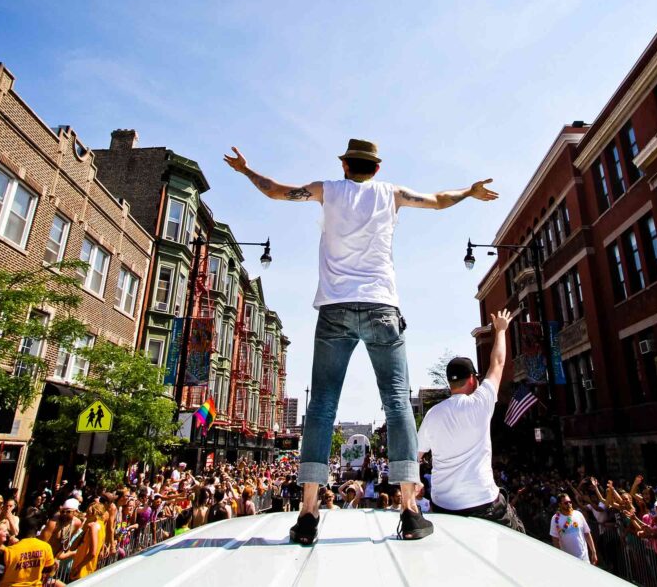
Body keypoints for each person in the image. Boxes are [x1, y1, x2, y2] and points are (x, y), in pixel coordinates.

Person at [226, 140, 497, 545]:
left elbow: (276, 190)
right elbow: (440, 201)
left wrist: (246, 170)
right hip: (381, 308)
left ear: (345, 165)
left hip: (334, 308)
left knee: (320, 406)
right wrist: (470, 192)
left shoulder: (327, 190)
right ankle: (408, 511)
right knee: (397, 402)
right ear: (375, 167)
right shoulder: (392, 194)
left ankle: (307, 514)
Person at [417, 309, 525, 533]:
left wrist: (414, 485)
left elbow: (415, 456)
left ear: (449, 383)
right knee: (518, 540)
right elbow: (497, 363)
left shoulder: (432, 415)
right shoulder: (481, 402)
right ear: (473, 380)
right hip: (483, 503)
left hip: (443, 505)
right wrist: (501, 330)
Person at [0, 512, 55, 587]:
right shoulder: (46, 547)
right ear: (36, 530)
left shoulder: (9, 551)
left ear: (20, 530)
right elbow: (48, 569)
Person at [550, 494, 597, 564]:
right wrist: (559, 556)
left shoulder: (578, 514)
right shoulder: (555, 519)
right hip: (568, 560)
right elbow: (555, 539)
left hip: (584, 558)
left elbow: (587, 533)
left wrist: (593, 552)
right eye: (566, 503)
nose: (569, 504)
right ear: (560, 504)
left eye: (570, 502)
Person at [69, 502, 104, 580]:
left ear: (95, 514)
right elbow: (72, 547)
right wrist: (84, 530)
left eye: (88, 513)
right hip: (88, 569)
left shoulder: (94, 527)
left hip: (82, 571)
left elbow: (92, 553)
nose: (86, 516)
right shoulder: (101, 526)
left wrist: (78, 567)